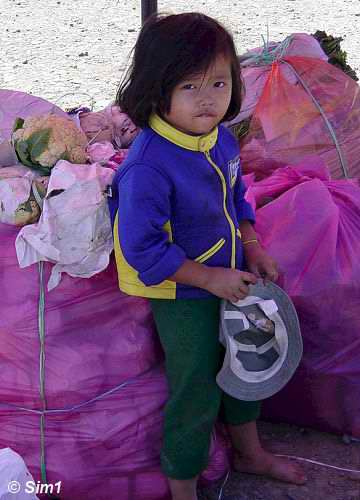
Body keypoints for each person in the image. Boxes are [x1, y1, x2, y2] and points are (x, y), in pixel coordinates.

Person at [109, 12, 306, 500]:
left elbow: (238, 194)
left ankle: (250, 452)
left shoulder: (218, 139)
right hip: (179, 290)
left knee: (245, 361)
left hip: (231, 275)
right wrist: (208, 279)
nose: (209, 99)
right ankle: (183, 486)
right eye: (191, 86)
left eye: (219, 83)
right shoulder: (148, 167)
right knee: (196, 385)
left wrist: (253, 244)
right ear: (158, 90)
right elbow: (143, 249)